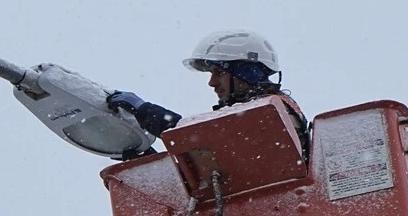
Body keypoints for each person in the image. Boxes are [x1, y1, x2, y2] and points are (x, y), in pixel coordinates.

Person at [106, 30, 309, 156]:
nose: (211, 83)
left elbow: (197, 137)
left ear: (244, 73)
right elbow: (218, 166)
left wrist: (145, 111)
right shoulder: (254, 117)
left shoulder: (269, 110)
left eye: (218, 73)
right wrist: (151, 161)